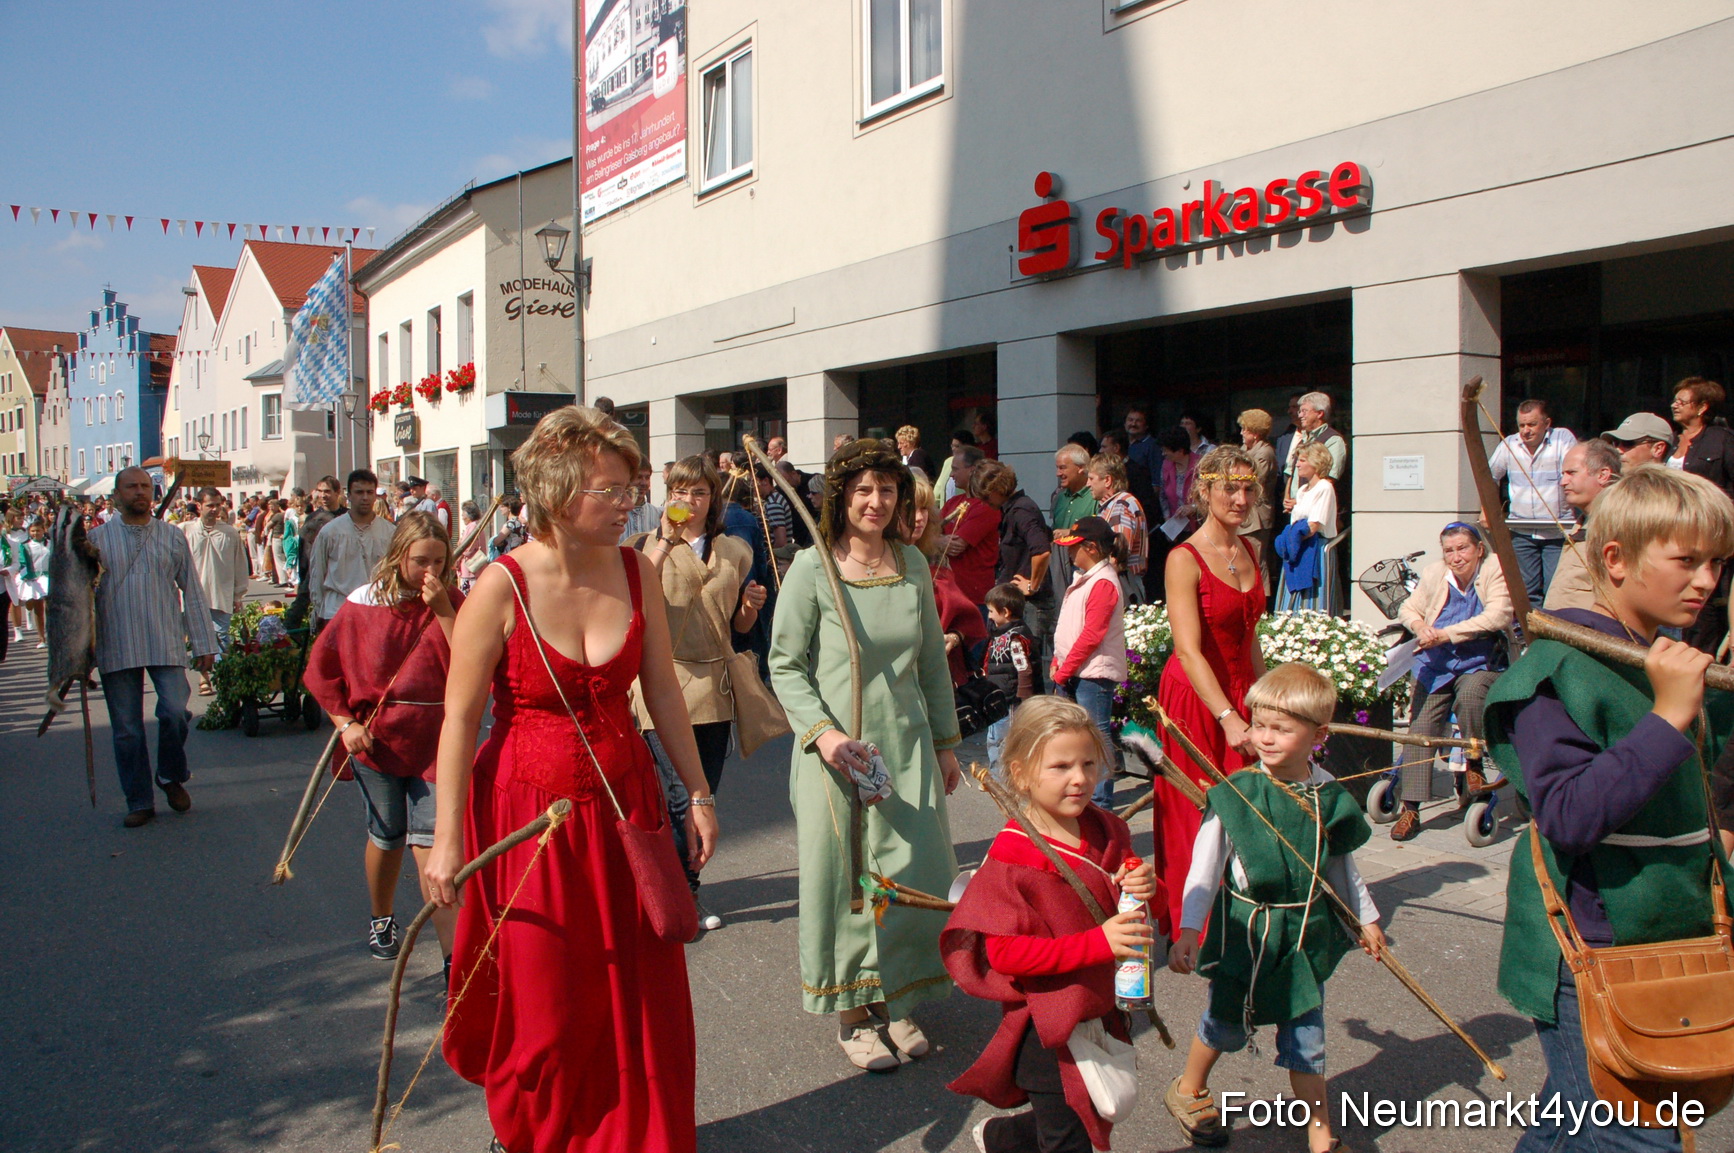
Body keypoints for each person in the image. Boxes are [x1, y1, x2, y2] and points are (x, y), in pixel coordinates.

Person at [426, 406, 716, 1153]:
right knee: (549, 1000)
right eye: (610, 490)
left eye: (631, 488)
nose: (629, 503)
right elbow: (458, 720)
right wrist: (446, 840)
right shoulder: (499, 585)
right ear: (557, 493)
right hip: (527, 818)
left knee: (635, 992)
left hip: (627, 806)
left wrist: (699, 791)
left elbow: (664, 691)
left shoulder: (635, 569)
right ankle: (530, 1135)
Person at [1482, 466, 1734, 1153]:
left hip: (1675, 937)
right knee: (1634, 1134)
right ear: (1615, 558)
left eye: (1717, 562)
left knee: (1572, 1123)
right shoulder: (1555, 669)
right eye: (1686, 560)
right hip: (1593, 947)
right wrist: (1668, 716)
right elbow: (1567, 814)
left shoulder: (1664, 657)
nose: (1707, 580)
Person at [767, 437, 962, 1072]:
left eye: (886, 490)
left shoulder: (911, 564)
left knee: (913, 872)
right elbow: (785, 666)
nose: (875, 502)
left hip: (905, 748)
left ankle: (898, 995)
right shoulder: (811, 568)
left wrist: (945, 743)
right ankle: (852, 1010)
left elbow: (932, 661)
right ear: (840, 500)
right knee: (847, 882)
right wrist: (823, 734)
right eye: (862, 491)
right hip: (835, 754)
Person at [1166, 663, 1384, 1152]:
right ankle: (1188, 1088)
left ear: (1318, 735)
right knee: (1225, 1022)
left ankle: (1321, 1136)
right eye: (1259, 724)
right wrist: (1188, 930)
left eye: (1281, 729)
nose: (1264, 737)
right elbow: (1204, 869)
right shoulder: (1236, 793)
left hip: (1303, 933)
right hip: (1246, 931)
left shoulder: (1327, 794)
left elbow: (1341, 866)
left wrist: (1366, 918)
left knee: (1307, 1036)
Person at [942, 696, 1158, 1153]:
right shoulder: (1011, 859)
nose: (1079, 778)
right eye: (1059, 767)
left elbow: (1115, 880)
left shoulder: (1104, 828)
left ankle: (1005, 1138)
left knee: (1089, 1113)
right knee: (1070, 1137)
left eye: (1088, 763)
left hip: (1100, 1007)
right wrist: (1099, 943)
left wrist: (1140, 876)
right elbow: (1005, 954)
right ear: (1019, 773)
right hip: (1045, 1027)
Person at [302, 512, 462, 972]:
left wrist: (446, 612)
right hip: (378, 742)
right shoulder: (362, 604)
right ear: (398, 557)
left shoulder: (452, 599)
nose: (430, 572)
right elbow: (322, 671)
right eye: (419, 562)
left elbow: (475, 660)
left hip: (438, 741)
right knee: (388, 836)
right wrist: (345, 724)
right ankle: (381, 916)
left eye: (439, 561)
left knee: (433, 842)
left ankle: (453, 956)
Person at [630, 455, 766, 932]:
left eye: (699, 493)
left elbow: (737, 627)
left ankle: (682, 881)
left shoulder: (735, 550)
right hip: (662, 683)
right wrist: (666, 541)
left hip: (715, 687)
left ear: (713, 500)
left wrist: (749, 609)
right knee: (676, 794)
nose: (689, 501)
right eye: (680, 492)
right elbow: (636, 593)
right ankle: (680, 891)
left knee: (705, 790)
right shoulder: (644, 547)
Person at [1155, 445, 1267, 940]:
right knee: (1196, 814)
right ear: (1205, 491)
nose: (1240, 499)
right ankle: (1193, 929)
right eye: (1230, 488)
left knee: (1248, 809)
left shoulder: (1253, 549)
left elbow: (1252, 637)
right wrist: (1227, 716)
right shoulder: (1184, 557)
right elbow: (1187, 651)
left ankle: (1241, 915)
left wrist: (1267, 704)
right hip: (1197, 699)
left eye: (1248, 488)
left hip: (1240, 693)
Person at [90, 468, 221, 828]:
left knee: (176, 711)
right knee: (128, 730)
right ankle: (139, 800)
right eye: (131, 487)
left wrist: (203, 642)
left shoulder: (171, 536)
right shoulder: (95, 541)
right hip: (117, 644)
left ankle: (170, 774)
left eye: (145, 487)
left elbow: (192, 592)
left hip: (165, 640)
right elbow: (79, 601)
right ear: (116, 496)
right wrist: (77, 654)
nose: (140, 492)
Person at [1390, 522, 1513, 841]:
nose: (1456, 557)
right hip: (1437, 661)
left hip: (1479, 659)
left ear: (1478, 549)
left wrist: (1446, 633)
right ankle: (1411, 808)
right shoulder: (1434, 573)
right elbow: (1408, 608)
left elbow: (1499, 616)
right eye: (1449, 550)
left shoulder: (1494, 569)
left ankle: (1473, 763)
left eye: (1463, 548)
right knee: (1421, 730)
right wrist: (1420, 627)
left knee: (1472, 694)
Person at [1049, 517, 1127, 810]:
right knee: (1082, 734)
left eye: (1074, 548)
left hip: (1092, 673)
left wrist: (1064, 670)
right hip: (1076, 669)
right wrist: (1058, 660)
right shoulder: (1087, 577)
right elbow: (1071, 626)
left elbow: (1092, 634)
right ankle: (1087, 794)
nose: (1070, 554)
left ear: (1092, 548)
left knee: (1096, 734)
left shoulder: (1103, 582)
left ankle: (1100, 799)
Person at [1666, 377, 1734, 653]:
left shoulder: (1721, 440)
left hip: (1709, 534)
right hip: (1672, 532)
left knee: (1705, 603)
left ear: (1702, 407)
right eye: (1675, 400)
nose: (1674, 405)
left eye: (1682, 402)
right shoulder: (1671, 441)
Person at [1489, 399, 1577, 604]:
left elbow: (1577, 472)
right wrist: (1487, 509)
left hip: (1558, 532)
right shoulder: (1509, 444)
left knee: (1556, 592)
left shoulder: (1562, 439)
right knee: (1527, 593)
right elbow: (1490, 476)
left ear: (1547, 423)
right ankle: (1530, 635)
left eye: (1532, 424)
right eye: (1522, 425)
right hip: (1522, 532)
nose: (1526, 430)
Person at [181, 486, 251, 695]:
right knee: (199, 640)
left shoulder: (229, 533)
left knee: (222, 639)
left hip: (222, 595)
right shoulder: (185, 530)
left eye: (218, 505)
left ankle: (223, 678)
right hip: (193, 596)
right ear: (199, 506)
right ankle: (204, 677)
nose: (214, 510)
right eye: (209, 505)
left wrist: (239, 595)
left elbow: (240, 565)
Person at [305, 470, 397, 629]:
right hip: (337, 611)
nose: (365, 497)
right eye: (359, 492)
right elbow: (317, 574)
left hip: (376, 611)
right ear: (349, 495)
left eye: (369, 492)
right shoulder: (330, 532)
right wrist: (320, 610)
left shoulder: (389, 532)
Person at [1544, 439, 1621, 613]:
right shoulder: (1582, 520)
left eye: (1572, 473)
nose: (1563, 481)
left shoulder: (1619, 524)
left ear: (1603, 475)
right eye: (1563, 474)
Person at [994, 467, 1053, 688]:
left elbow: (1042, 549)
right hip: (1018, 603)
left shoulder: (1022, 510)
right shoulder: (1012, 510)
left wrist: (1032, 585)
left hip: (1030, 606)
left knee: (1026, 671)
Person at [981, 583, 1038, 777]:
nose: (988, 616)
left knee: (1004, 741)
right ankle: (996, 773)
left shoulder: (1015, 638)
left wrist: (1024, 697)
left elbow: (1024, 668)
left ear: (1005, 612)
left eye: (990, 611)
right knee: (994, 738)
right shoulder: (1000, 634)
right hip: (998, 696)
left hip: (1010, 699)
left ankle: (1002, 779)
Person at [1275, 443, 1338, 611]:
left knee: (1312, 601)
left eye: (1302, 460)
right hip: (1297, 547)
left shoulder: (1324, 487)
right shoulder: (1303, 490)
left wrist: (1291, 540)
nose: (1297, 464)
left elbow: (1313, 526)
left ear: (1316, 463)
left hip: (1314, 549)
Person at [938, 451, 1003, 605]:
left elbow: (956, 546)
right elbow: (928, 533)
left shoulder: (986, 507)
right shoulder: (952, 502)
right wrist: (937, 540)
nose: (951, 475)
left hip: (975, 595)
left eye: (955, 469)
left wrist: (934, 541)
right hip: (950, 592)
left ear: (972, 470)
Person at [1085, 453, 1149, 604]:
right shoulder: (1115, 505)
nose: (1087, 484)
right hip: (1122, 582)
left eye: (1091, 478)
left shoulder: (1121, 505)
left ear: (1107, 480)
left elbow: (1118, 554)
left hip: (1124, 584)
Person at [287, 476, 345, 626]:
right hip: (316, 571)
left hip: (341, 572)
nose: (323, 495)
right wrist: (303, 575)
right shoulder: (313, 518)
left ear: (337, 492)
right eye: (320, 491)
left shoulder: (347, 516)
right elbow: (304, 549)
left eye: (327, 491)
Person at [1237, 408, 1280, 594]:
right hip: (1246, 514)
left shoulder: (1264, 453)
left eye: (1244, 429)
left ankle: (1261, 602)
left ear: (1254, 433)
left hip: (1257, 517)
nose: (1241, 433)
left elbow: (1253, 482)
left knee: (1256, 559)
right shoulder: (1246, 449)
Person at [1281, 392, 1348, 502]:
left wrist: (1301, 500)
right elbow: (1291, 472)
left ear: (1320, 413)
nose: (1300, 415)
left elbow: (1330, 478)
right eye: (1299, 411)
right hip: (1297, 508)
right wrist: (1287, 498)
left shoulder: (1333, 440)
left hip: (1318, 507)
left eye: (1304, 411)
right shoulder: (1303, 440)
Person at [1158, 425, 1202, 535]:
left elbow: (1211, 496)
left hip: (1198, 526)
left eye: (1166, 451)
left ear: (1180, 450)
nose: (1163, 454)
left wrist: (1194, 507)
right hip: (1176, 527)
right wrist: (1167, 518)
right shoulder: (1166, 465)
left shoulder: (1202, 465)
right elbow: (1162, 495)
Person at [14, 517, 50, 645]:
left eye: (38, 531)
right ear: (29, 531)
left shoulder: (50, 544)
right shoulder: (26, 546)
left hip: (48, 577)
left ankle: (51, 634)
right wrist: (25, 576)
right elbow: (22, 563)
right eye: (33, 531)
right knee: (38, 608)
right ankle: (41, 638)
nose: (36, 533)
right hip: (33, 578)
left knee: (50, 608)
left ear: (43, 530)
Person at [620, 462, 660, 542]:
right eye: (639, 477)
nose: (644, 483)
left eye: (647, 477)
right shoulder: (615, 513)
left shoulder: (657, 514)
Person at [1123, 405, 1159, 482]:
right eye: (1130, 420)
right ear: (1125, 423)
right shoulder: (1120, 443)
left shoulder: (1153, 445)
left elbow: (1156, 480)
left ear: (1146, 425)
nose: (1133, 424)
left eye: (1138, 421)